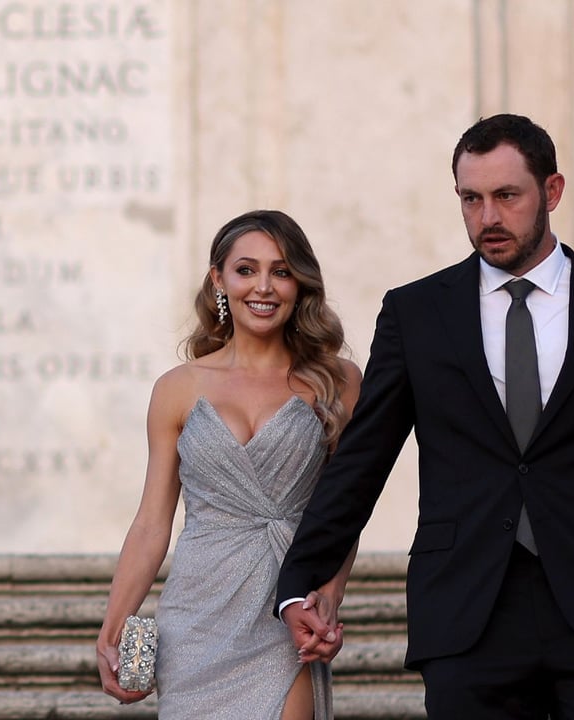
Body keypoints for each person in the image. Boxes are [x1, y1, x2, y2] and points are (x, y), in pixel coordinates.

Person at [276, 114, 574, 719]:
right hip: (467, 610)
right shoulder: (414, 314)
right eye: (470, 199)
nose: (487, 218)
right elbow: (363, 459)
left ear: (553, 191)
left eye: (506, 196)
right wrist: (297, 581)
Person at [97, 209, 363, 719]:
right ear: (218, 278)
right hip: (195, 619)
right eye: (246, 270)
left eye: (281, 271)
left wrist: (329, 595)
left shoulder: (339, 381)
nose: (263, 287)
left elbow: (346, 508)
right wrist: (113, 627)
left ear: (299, 283)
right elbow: (152, 523)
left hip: (286, 615)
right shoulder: (177, 389)